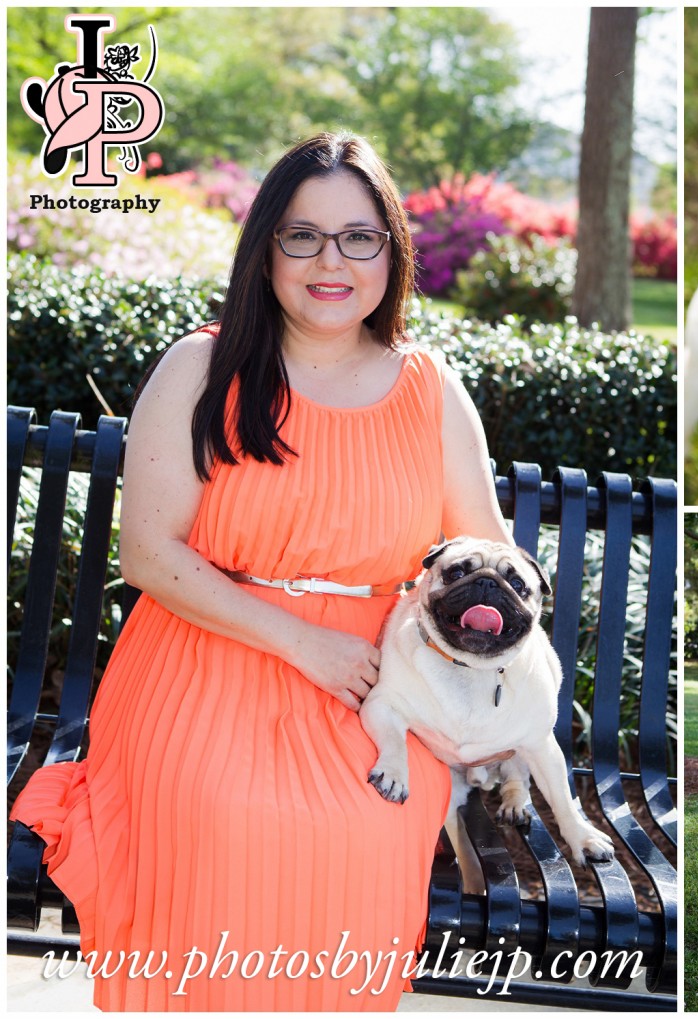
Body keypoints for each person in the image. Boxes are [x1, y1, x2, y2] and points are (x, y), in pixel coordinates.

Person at [10, 132, 513, 1011]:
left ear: (391, 252)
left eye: (359, 236)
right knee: (223, 818)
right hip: (208, 655)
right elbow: (149, 553)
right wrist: (300, 641)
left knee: (363, 828)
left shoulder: (431, 388)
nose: (332, 260)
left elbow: (492, 566)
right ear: (265, 250)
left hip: (374, 688)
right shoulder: (203, 366)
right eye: (302, 235)